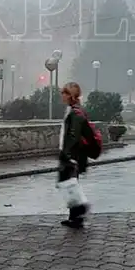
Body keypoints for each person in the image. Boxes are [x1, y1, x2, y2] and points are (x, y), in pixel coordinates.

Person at [58, 81, 91, 228]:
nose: (62, 95)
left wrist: (68, 154)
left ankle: (79, 213)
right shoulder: (72, 109)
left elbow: (74, 135)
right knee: (70, 184)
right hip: (71, 154)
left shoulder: (75, 112)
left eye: (64, 93)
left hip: (73, 155)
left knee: (70, 183)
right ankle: (75, 216)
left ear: (70, 95)